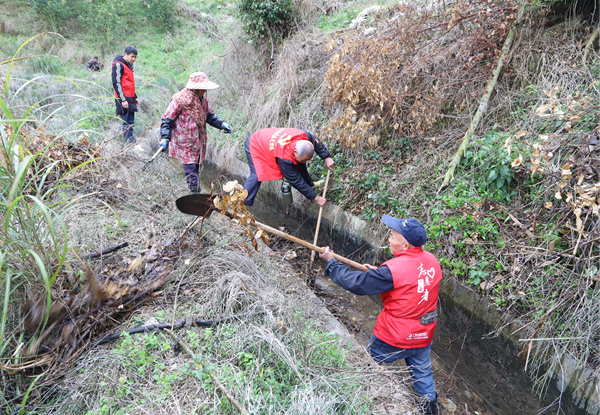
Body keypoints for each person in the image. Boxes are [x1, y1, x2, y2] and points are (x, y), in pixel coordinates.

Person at [319, 216, 442, 415]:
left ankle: (360, 398)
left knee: (368, 364)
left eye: (392, 236)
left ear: (405, 243)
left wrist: (332, 263)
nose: (389, 239)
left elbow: (356, 283)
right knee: (422, 373)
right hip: (423, 334)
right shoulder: (431, 261)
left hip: (394, 336)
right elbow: (410, 285)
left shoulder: (392, 270)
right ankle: (432, 411)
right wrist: (378, 273)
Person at [159, 72, 232, 193]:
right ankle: (195, 194)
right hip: (183, 141)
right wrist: (165, 137)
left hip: (197, 140)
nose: (205, 90)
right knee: (190, 168)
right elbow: (167, 119)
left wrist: (221, 124)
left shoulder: (202, 100)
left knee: (195, 166)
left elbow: (208, 115)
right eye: (203, 87)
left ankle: (195, 191)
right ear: (195, 87)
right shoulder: (179, 100)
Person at [243, 128, 334, 207]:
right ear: (295, 151)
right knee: (257, 175)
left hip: (267, 138)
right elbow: (296, 181)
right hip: (255, 144)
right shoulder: (284, 158)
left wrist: (326, 157)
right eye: (304, 160)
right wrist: (316, 198)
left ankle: (309, 184)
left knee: (299, 163)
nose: (305, 162)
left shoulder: (304, 136)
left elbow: (315, 140)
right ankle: (240, 203)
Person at [112, 46, 139, 143]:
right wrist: (123, 100)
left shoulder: (127, 65)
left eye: (135, 57)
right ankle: (130, 142)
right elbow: (116, 83)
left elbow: (128, 83)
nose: (134, 59)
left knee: (130, 120)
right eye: (132, 56)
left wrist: (134, 97)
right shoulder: (118, 65)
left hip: (129, 97)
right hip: (123, 98)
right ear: (125, 55)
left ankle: (130, 140)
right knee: (127, 121)